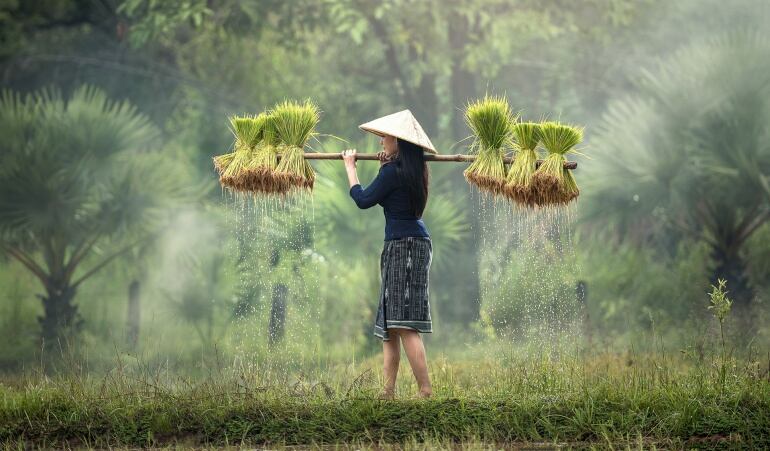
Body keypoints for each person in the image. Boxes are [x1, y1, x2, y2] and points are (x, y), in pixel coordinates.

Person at [341, 109, 438, 400]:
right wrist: (386, 165)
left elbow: (363, 199)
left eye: (385, 137)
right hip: (407, 243)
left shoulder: (393, 173)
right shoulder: (411, 171)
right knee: (390, 323)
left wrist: (350, 167)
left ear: (397, 141)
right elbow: (390, 188)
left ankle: (425, 390)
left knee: (403, 323)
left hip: (405, 246)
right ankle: (388, 392)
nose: (381, 141)